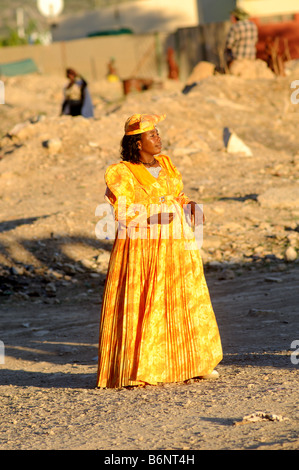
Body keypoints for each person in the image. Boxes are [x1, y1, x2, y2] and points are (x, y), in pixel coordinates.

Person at [96, 113, 222, 388]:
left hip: (177, 244)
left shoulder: (165, 164)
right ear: (137, 143)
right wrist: (150, 219)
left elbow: (177, 194)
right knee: (148, 300)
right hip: (143, 247)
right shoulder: (123, 172)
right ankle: (141, 368)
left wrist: (190, 204)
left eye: (158, 134)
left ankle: (194, 362)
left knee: (183, 298)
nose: (158, 139)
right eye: (151, 136)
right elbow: (121, 212)